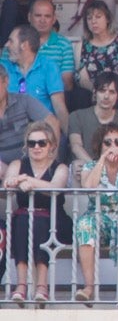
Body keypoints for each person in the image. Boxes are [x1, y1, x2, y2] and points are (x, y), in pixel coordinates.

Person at [73, 122, 118, 304]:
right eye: (107, 143)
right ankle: (89, 287)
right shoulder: (90, 166)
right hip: (99, 217)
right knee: (84, 224)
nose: (113, 146)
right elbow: (89, 187)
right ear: (100, 146)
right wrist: (102, 159)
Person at [4, 121, 71, 306]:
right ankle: (21, 285)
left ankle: (42, 286)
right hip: (24, 219)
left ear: (51, 146)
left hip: (55, 220)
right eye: (32, 143)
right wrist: (18, 181)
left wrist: (28, 180)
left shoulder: (60, 167)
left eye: (42, 143)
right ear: (26, 145)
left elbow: (55, 188)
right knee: (23, 220)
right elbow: (7, 182)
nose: (36, 147)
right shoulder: (18, 164)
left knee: (39, 222)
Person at [2, 25, 67, 131]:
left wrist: (66, 138)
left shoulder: (48, 66)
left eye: (11, 41)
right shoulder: (3, 67)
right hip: (9, 131)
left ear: (24, 45)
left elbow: (59, 106)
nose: (6, 45)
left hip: (42, 131)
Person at [74, 0, 118, 109]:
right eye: (89, 18)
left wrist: (113, 91)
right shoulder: (81, 45)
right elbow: (83, 79)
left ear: (107, 19)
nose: (93, 21)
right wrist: (99, 92)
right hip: (92, 92)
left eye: (98, 17)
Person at [0, 64, 60, 169]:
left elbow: (52, 123)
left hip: (30, 164)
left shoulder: (24, 100)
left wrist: (52, 157)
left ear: (6, 81)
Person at [24, 0, 76, 111]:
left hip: (53, 102)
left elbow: (67, 83)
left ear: (54, 19)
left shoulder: (64, 44)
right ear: (29, 17)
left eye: (47, 16)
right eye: (38, 15)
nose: (42, 20)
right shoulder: (18, 42)